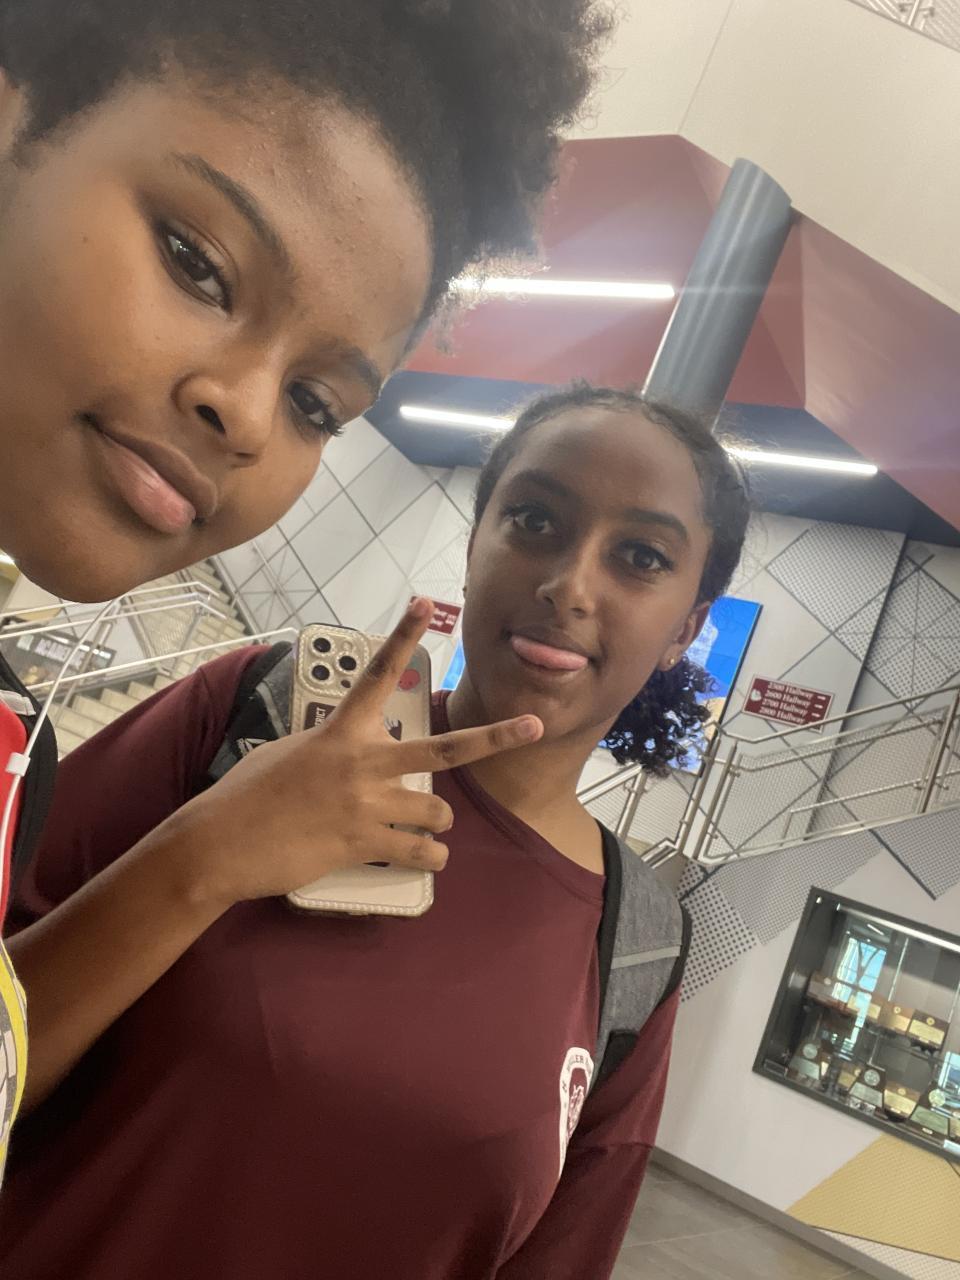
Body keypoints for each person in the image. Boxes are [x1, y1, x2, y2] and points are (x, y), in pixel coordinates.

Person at [0, 0, 610, 1171]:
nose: (242, 412)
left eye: (316, 403)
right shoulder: (231, 712)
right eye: (199, 263)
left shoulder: (632, 945)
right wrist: (204, 856)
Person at [0, 385, 752, 1279]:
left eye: (641, 557)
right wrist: (203, 858)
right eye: (534, 520)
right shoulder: (256, 719)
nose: (570, 585)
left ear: (686, 630)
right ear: (474, 547)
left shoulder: (635, 946)